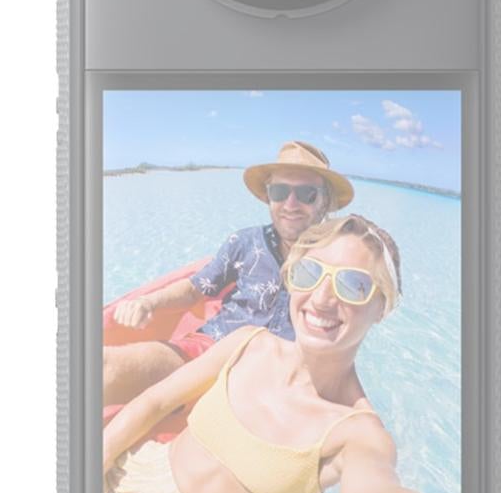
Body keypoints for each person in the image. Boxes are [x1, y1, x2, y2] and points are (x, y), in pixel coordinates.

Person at [101, 214, 461, 493]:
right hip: (126, 478)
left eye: (353, 285)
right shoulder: (248, 344)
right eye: (309, 273)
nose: (321, 298)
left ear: (382, 306)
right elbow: (154, 403)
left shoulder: (356, 432)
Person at [102, 141, 354, 407]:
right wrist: (148, 302)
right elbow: (194, 289)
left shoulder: (337, 262)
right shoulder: (244, 242)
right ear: (269, 197)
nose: (290, 204)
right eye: (280, 191)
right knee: (107, 367)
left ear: (324, 203)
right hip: (210, 349)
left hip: (281, 379)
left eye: (306, 194)